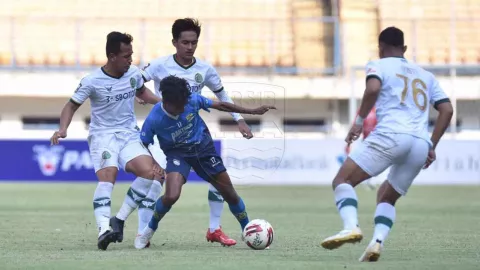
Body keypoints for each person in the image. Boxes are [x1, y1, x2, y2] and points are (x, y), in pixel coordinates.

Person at [320, 27, 453, 262]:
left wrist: (359, 121)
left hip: (391, 134)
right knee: (386, 196)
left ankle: (351, 226)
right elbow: (447, 109)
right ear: (404, 49)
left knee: (342, 181)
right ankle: (376, 242)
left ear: (380, 47)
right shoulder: (426, 75)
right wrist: (432, 145)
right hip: (420, 143)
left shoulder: (378, 65)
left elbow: (372, 88)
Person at [138, 18, 253, 246]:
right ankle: (144, 229)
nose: (190, 47)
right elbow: (135, 83)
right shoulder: (159, 65)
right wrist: (149, 99)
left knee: (225, 189)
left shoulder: (204, 70)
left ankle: (237, 230)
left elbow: (222, 97)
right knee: (167, 192)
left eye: (194, 43)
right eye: (185, 42)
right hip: (170, 140)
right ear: (175, 42)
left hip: (197, 136)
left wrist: (239, 119)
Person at [50, 32, 165, 250]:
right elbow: (71, 105)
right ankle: (104, 229)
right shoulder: (92, 81)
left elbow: (142, 92)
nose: (130, 60)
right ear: (112, 56)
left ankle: (118, 220)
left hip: (129, 134)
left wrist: (163, 104)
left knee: (153, 174)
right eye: (126, 56)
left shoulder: (133, 74)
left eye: (131, 55)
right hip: (103, 136)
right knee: (108, 178)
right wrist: (63, 129)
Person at [133, 75, 275, 249]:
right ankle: (148, 230)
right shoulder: (155, 118)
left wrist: (251, 112)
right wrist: (154, 163)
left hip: (203, 149)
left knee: (229, 194)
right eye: (180, 105)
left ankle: (249, 231)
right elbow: (143, 143)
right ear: (167, 102)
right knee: (171, 195)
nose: (185, 106)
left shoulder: (191, 99)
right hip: (178, 154)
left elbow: (221, 104)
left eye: (186, 102)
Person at [344, 108, 378, 190]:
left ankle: (370, 181)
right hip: (365, 141)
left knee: (372, 162)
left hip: (376, 140)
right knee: (362, 161)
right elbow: (356, 123)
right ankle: (354, 180)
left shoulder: (377, 109)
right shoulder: (362, 110)